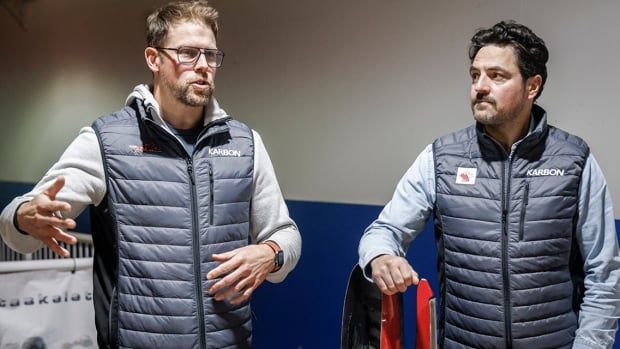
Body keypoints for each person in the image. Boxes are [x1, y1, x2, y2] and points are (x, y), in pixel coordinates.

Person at [0, 1, 301, 348]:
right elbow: (15, 230)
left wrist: (271, 253)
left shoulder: (245, 143)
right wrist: (25, 218)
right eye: (188, 53)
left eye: (211, 55)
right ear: (153, 59)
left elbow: (286, 233)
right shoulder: (106, 142)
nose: (203, 66)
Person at [358, 21, 619, 349]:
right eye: (474, 75)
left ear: (532, 86)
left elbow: (604, 273)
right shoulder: (442, 158)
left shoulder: (574, 161)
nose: (480, 86)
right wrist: (381, 257)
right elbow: (383, 231)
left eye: (497, 76)